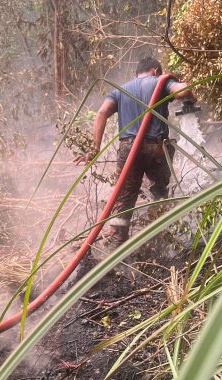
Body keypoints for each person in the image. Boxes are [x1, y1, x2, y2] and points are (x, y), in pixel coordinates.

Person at [82, 57, 197, 245]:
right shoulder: (161, 81)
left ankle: (116, 242)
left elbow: (102, 112)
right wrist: (177, 83)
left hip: (128, 149)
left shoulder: (120, 90)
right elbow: (185, 92)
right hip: (156, 148)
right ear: (155, 71)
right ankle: (159, 239)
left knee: (124, 199)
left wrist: (95, 149)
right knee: (160, 193)